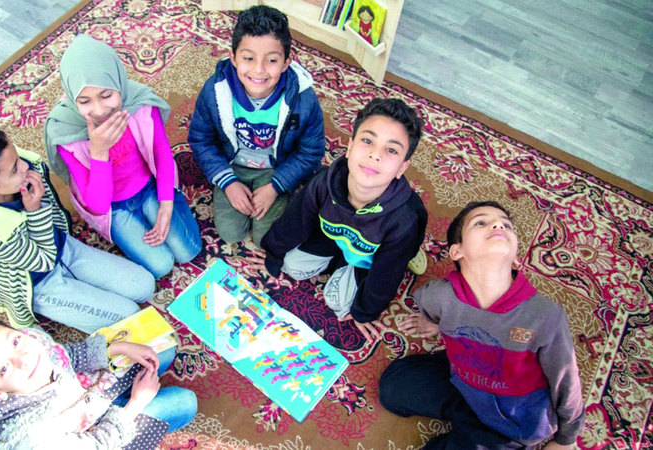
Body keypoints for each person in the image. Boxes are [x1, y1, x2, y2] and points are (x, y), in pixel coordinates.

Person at [380, 201, 585, 449]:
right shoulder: (438, 296)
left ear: (515, 259)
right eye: (481, 222)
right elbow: (428, 307)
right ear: (457, 251)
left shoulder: (544, 317)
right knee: (392, 387)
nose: (498, 225)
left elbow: (567, 383)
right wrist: (434, 324)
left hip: (512, 420)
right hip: (464, 385)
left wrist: (566, 440)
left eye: (506, 225)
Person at [0, 125, 154, 333]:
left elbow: (54, 213)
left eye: (17, 158)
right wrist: (35, 211)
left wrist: (50, 216)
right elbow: (44, 261)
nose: (24, 166)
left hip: (62, 247)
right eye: (14, 169)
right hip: (38, 282)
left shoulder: (19, 167)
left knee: (144, 286)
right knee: (129, 314)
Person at [250, 98, 427, 343]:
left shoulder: (403, 220)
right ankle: (338, 257)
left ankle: (406, 253)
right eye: (368, 141)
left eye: (391, 150)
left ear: (402, 168)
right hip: (336, 235)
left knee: (340, 303)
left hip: (370, 257)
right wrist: (273, 253)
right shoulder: (325, 182)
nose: (375, 154)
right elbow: (296, 219)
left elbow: (385, 276)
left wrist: (365, 312)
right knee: (291, 266)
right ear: (350, 147)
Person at [44, 34, 201, 279]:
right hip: (112, 209)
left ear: (119, 82)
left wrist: (166, 204)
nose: (99, 110)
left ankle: (162, 207)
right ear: (73, 98)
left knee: (189, 251)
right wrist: (99, 152)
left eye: (107, 95)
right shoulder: (66, 133)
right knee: (161, 266)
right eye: (84, 101)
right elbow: (98, 205)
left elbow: (161, 154)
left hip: (148, 188)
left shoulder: (140, 104)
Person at [187, 5, 326, 247]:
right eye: (248, 58)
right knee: (230, 233)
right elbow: (201, 139)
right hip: (232, 164)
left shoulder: (303, 99)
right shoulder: (214, 91)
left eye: (271, 60)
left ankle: (285, 193)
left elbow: (311, 151)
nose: (259, 70)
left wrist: (276, 186)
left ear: (286, 62)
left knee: (266, 240)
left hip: (276, 168)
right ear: (233, 58)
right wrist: (227, 182)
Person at [0, 319, 197, 448]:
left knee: (161, 350)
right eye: (3, 369)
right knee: (185, 403)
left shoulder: (30, 342)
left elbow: (65, 356)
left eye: (14, 342)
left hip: (84, 401)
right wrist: (135, 404)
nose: (23, 358)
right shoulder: (34, 439)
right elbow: (99, 444)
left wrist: (116, 348)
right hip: (95, 439)